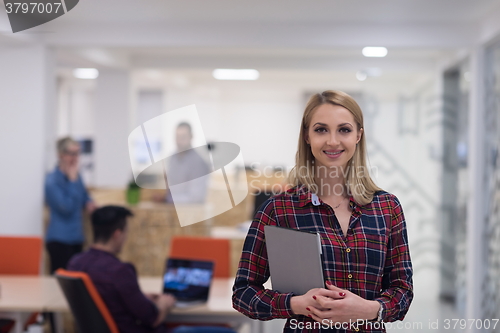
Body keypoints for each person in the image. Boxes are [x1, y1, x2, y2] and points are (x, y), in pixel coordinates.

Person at [232, 90, 413, 332]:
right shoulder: (278, 210)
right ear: (307, 136)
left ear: (358, 135)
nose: (333, 141)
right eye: (321, 130)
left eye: (344, 130)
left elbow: (402, 291)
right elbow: (243, 293)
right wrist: (296, 304)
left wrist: (369, 309)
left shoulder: (387, 208)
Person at [68, 206, 236, 333]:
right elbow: (152, 318)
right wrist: (164, 303)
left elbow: (102, 296)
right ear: (117, 234)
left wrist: (138, 296)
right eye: (126, 231)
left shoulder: (76, 263)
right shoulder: (119, 271)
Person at [45, 136, 96, 274]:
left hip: (76, 238)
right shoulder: (52, 181)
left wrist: (89, 202)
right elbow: (66, 208)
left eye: (77, 153)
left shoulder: (76, 176)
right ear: (60, 155)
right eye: (71, 153)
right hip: (59, 240)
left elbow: (83, 194)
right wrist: (73, 181)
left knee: (75, 282)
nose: (75, 158)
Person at [155, 122, 210, 204]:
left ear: (191, 137)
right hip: (173, 211)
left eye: (183, 137)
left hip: (192, 212)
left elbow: (196, 197)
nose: (179, 141)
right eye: (177, 137)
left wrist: (168, 199)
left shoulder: (199, 162)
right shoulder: (173, 158)